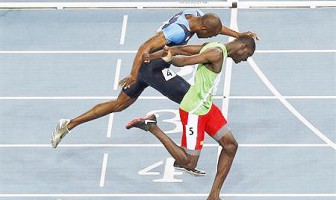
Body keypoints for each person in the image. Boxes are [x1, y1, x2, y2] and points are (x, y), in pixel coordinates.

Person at [51, 9, 258, 148]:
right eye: (210, 35)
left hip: (150, 67)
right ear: (202, 29)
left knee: (119, 105)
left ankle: (69, 124)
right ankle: (194, 152)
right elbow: (144, 47)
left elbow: (216, 26)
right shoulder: (176, 32)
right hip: (153, 68)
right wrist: (133, 73)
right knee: (193, 99)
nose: (213, 38)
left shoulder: (195, 14)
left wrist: (238, 34)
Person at [126, 36, 256, 200]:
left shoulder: (214, 46)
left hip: (206, 106)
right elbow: (184, 61)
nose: (245, 60)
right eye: (248, 55)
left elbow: (182, 49)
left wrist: (153, 55)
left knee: (230, 146)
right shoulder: (216, 53)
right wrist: (169, 59)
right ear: (242, 47)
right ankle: (152, 126)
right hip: (194, 110)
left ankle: (213, 198)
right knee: (188, 162)